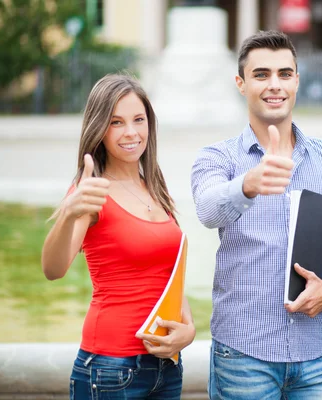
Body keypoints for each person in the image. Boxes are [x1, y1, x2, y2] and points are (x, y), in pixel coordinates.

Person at [191, 30, 322, 399]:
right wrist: (248, 184)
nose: (274, 85)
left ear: (297, 81)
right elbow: (208, 210)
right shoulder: (218, 158)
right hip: (243, 355)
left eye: (284, 74)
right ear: (241, 84)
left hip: (316, 354)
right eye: (261, 75)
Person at [41, 74, 196, 399]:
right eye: (116, 122)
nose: (131, 132)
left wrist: (188, 329)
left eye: (139, 120)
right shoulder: (91, 191)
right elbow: (52, 270)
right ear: (99, 128)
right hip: (111, 366)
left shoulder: (153, 186)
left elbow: (169, 273)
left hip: (166, 369)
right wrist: (69, 212)